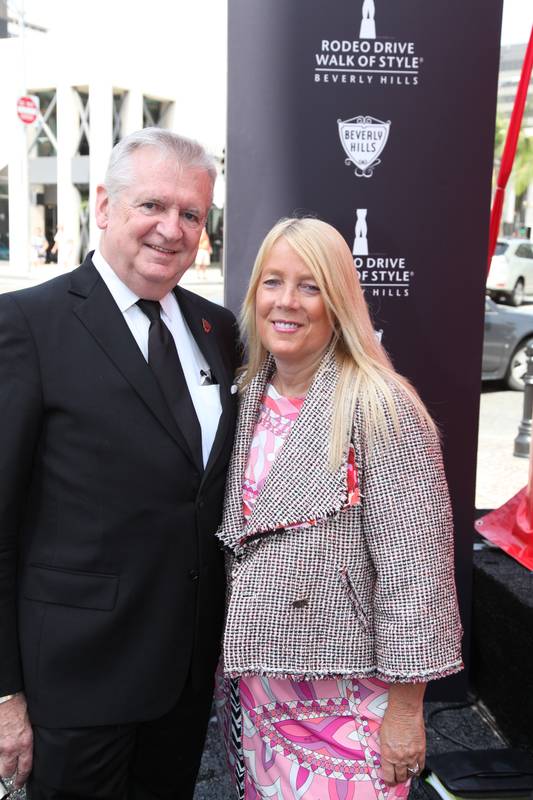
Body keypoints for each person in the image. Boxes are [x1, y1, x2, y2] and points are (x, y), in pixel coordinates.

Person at [0, 128, 240, 799]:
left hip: (184, 676)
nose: (172, 229)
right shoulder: (27, 324)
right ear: (105, 205)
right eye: (152, 206)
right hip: (73, 680)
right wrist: (4, 693)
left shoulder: (217, 329)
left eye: (191, 213)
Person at [215, 217, 463, 800]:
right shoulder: (246, 393)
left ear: (340, 301)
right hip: (259, 693)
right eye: (273, 282)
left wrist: (406, 710)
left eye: (310, 286)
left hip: (350, 703)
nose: (286, 301)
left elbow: (417, 571)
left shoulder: (381, 404)